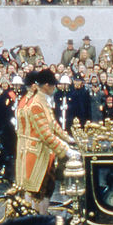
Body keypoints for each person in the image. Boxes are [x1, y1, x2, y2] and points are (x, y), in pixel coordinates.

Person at [14, 68, 77, 214]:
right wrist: (66, 150)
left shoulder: (42, 101)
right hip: (36, 154)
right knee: (38, 191)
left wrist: (68, 139)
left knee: (47, 188)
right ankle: (38, 220)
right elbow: (46, 134)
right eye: (53, 85)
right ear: (47, 86)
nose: (55, 88)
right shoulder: (36, 103)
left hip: (44, 152)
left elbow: (52, 124)